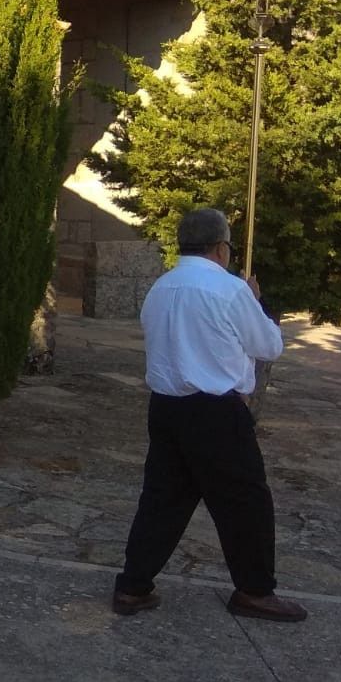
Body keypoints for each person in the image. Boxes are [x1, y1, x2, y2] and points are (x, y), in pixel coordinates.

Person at [112, 207, 303, 623]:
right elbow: (269, 346)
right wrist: (255, 301)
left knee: (163, 499)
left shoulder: (161, 287)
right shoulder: (230, 290)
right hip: (215, 412)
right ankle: (254, 591)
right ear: (221, 248)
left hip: (165, 408)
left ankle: (133, 585)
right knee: (246, 501)